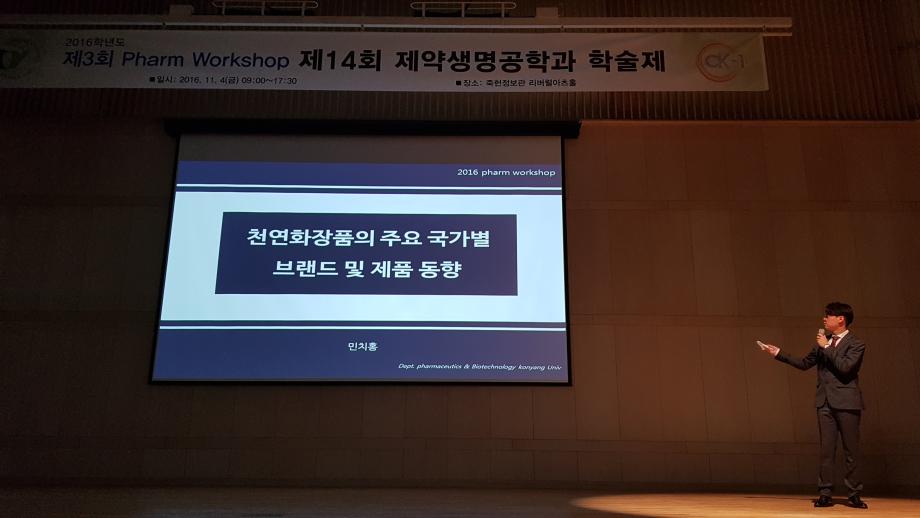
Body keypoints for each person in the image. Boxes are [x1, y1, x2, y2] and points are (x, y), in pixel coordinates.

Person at [760, 302, 867, 509]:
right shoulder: (823, 342)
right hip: (824, 403)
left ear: (841, 319)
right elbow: (804, 363)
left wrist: (826, 347)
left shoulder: (856, 343)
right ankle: (825, 493)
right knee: (826, 450)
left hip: (847, 403)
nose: (824, 319)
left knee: (851, 451)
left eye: (828, 315)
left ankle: (854, 494)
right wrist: (779, 353)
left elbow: (846, 368)